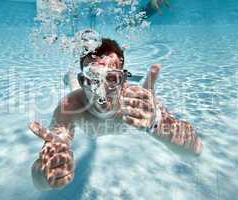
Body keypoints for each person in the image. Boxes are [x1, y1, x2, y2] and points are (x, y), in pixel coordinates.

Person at [29, 38, 202, 190]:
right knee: (72, 89)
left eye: (111, 78)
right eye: (93, 78)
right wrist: (46, 172)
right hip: (79, 99)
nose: (101, 89)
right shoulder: (70, 105)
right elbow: (41, 182)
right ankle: (72, 78)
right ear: (84, 82)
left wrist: (157, 123)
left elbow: (195, 150)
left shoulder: (137, 103)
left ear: (123, 80)